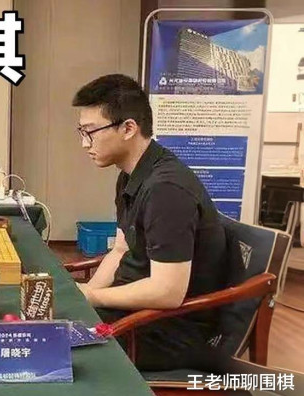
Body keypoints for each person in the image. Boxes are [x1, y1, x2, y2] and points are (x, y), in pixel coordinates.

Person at [71, 74, 228, 371]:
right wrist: (87, 297)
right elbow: (120, 250)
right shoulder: (130, 175)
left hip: (168, 329)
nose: (83, 143)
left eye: (90, 132)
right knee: (50, 320)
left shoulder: (166, 189)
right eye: (82, 131)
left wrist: (94, 296)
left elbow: (168, 291)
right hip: (133, 309)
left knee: (54, 344)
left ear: (128, 128)